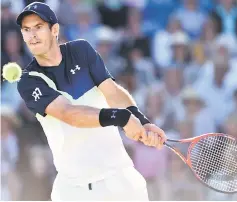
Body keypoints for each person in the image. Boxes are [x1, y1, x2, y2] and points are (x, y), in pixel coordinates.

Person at [16, 2, 167, 201]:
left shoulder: (81, 50)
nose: (32, 35)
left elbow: (112, 93)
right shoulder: (29, 80)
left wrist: (141, 120)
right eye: (26, 30)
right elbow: (70, 114)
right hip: (75, 190)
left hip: (122, 180)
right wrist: (122, 118)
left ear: (55, 30)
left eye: (38, 27)